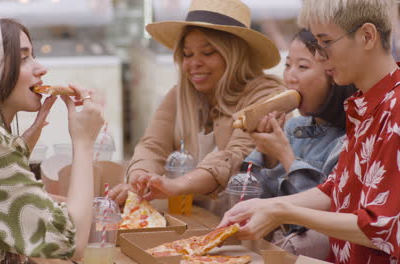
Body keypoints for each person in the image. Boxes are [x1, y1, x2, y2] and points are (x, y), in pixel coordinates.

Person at [219, 0, 400, 263]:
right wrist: (262, 205)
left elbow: (381, 227)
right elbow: (335, 189)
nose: (318, 56)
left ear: (367, 36)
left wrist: (282, 211)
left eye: (324, 43)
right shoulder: (365, 104)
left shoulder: (394, 110)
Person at [0, 18, 104, 263]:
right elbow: (71, 242)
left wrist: (19, 148)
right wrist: (84, 141)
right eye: (24, 59)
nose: (41, 69)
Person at [110, 0, 286, 205]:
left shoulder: (267, 95)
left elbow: (235, 156)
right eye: (187, 54)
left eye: (208, 52)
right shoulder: (179, 95)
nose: (194, 63)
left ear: (235, 55)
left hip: (249, 226)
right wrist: (139, 178)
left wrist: (176, 185)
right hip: (194, 221)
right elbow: (152, 146)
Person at [242, 29, 356, 259]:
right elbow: (253, 200)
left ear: (334, 76)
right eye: (287, 65)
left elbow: (322, 218)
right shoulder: (293, 127)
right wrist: (267, 154)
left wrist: (285, 155)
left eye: (302, 67)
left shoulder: (349, 139)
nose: (289, 77)